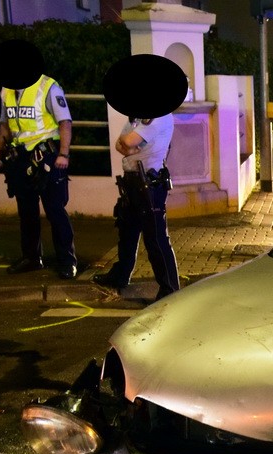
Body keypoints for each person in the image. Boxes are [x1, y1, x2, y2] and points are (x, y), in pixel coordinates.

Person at [93, 54, 188, 301]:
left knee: (155, 238)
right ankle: (120, 276)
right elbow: (121, 144)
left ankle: (169, 288)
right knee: (127, 232)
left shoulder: (159, 116)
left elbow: (127, 141)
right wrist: (129, 146)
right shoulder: (138, 116)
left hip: (149, 185)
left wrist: (130, 146)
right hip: (133, 183)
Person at [0, 39, 78, 279]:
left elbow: (65, 122)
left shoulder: (48, 87)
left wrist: (63, 154)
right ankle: (31, 258)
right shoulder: (6, 89)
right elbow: (6, 126)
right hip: (20, 159)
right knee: (26, 212)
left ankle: (68, 261)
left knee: (55, 210)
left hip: (47, 157)